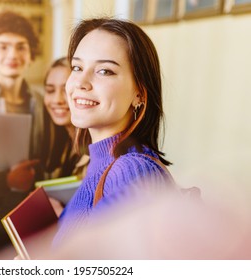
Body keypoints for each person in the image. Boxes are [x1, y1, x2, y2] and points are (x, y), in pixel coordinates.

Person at [52, 17, 175, 245]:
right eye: (77, 67)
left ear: (139, 93)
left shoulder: (130, 171)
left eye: (104, 71)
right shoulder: (102, 160)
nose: (81, 82)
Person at [0, 10, 44, 255]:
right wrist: (5, 180)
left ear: (30, 52)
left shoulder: (41, 101)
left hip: (30, 218)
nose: (12, 55)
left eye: (20, 47)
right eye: (2, 47)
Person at [41, 57, 89, 181]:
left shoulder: (96, 152)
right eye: (50, 90)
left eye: (66, 90)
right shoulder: (63, 145)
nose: (57, 100)